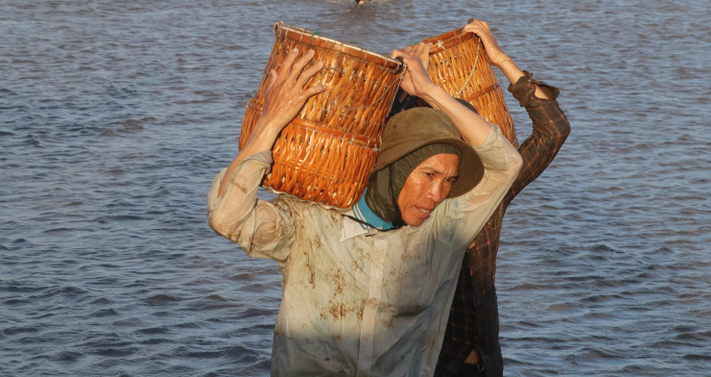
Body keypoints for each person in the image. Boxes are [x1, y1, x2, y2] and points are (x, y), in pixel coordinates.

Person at [207, 44, 522, 376]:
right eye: (428, 175)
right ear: (395, 167)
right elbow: (227, 217)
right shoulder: (312, 221)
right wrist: (270, 121)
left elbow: (506, 163)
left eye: (449, 180)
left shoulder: (441, 233)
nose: (437, 194)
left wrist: (430, 90)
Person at [420, 20, 569, 377]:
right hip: (428, 363)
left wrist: (500, 60)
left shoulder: (489, 189)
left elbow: (554, 129)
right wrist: (417, 90)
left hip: (485, 361)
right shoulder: (410, 200)